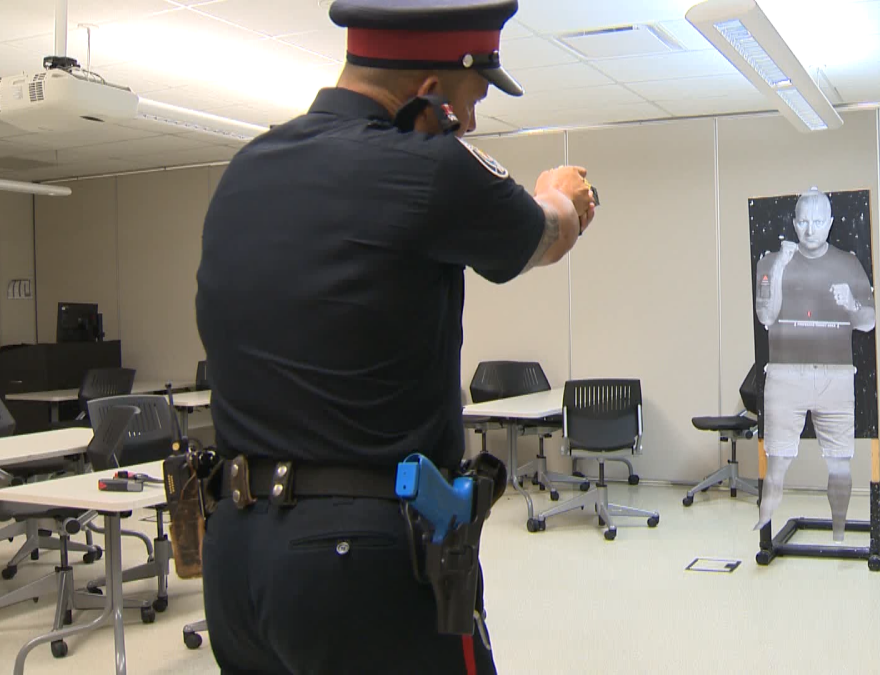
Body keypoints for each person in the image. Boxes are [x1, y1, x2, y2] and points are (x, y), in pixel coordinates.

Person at [193, 1, 595, 673]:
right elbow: (544, 234)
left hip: (235, 556)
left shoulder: (247, 168)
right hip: (356, 560)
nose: (471, 123)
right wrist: (563, 192)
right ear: (428, 92)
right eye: (471, 101)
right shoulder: (429, 166)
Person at [752, 187, 874, 540]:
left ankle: (839, 533)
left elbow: (869, 321)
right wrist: (780, 267)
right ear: (794, 223)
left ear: (830, 223)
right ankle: (763, 527)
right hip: (785, 374)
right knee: (777, 461)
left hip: (835, 375)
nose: (810, 229)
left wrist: (851, 304)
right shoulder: (771, 261)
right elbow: (766, 316)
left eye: (818, 222)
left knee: (839, 462)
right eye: (803, 222)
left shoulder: (848, 263)